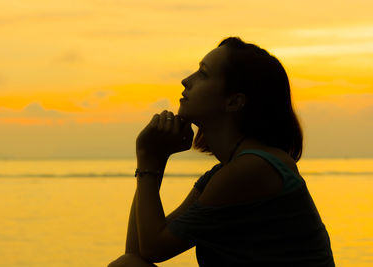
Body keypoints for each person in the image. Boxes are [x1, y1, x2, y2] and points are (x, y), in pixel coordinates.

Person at [108, 36, 335, 267]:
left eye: (203, 74)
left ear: (234, 102)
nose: (186, 81)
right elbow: (139, 252)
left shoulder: (251, 170)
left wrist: (147, 156)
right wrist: (157, 158)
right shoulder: (226, 174)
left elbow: (151, 248)